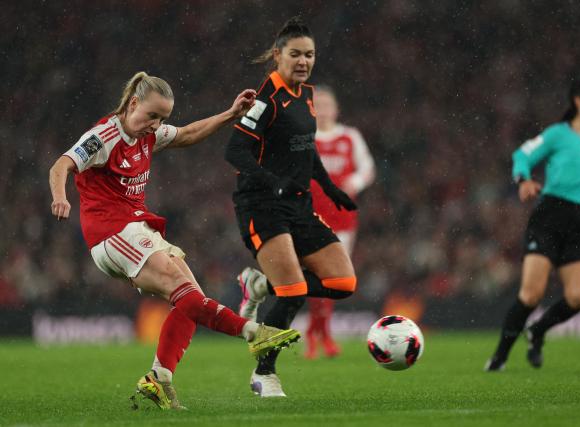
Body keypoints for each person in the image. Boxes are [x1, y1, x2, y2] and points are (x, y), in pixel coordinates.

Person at [48, 71, 301, 410]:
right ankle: (254, 333)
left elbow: (186, 134)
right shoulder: (105, 135)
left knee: (190, 298)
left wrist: (229, 114)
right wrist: (60, 197)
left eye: (162, 118)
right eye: (152, 115)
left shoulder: (148, 134)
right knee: (185, 292)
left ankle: (159, 378)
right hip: (112, 233)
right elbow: (61, 165)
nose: (156, 124)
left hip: (138, 228)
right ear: (133, 103)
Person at [225, 17, 358, 397]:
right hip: (262, 205)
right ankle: (263, 374)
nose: (303, 61)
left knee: (343, 282)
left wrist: (329, 188)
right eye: (296, 54)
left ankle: (260, 284)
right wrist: (273, 182)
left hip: (299, 205)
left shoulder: (307, 95)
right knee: (294, 292)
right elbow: (234, 150)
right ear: (278, 56)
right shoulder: (266, 98)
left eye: (310, 55)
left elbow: (305, 145)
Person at [485, 74, 580, 371]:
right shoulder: (558, 134)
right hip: (550, 216)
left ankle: (538, 331)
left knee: (579, 297)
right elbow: (522, 154)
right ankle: (500, 356)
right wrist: (523, 179)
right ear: (579, 101)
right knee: (531, 294)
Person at [305, 85, 375, 359]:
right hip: (311, 216)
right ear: (311, 109)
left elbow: (367, 167)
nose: (322, 110)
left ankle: (319, 332)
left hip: (343, 218)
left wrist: (354, 182)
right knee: (316, 275)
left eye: (327, 104)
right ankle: (320, 334)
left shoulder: (350, 136)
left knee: (335, 278)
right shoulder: (305, 137)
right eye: (317, 104)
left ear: (336, 109)